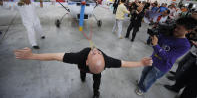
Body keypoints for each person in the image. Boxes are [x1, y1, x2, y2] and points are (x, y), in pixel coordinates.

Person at [14, 47, 153, 98]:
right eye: (96, 53)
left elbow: (124, 64)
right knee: (82, 73)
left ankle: (96, 92)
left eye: (97, 53)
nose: (96, 50)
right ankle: (82, 76)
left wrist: (141, 63)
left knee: (97, 80)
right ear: (86, 61)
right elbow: (54, 56)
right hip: (82, 68)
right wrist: (32, 56)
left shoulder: (106, 61)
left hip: (92, 69)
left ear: (105, 65)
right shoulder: (79, 57)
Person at [135, 17, 197, 96]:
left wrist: (156, 45)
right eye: (176, 26)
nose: (175, 29)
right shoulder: (169, 34)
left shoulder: (185, 45)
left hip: (162, 66)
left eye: (179, 28)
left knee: (149, 79)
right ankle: (141, 83)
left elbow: (167, 57)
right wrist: (154, 36)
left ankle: (143, 89)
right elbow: (156, 44)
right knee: (144, 73)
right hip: (153, 59)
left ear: (188, 31)